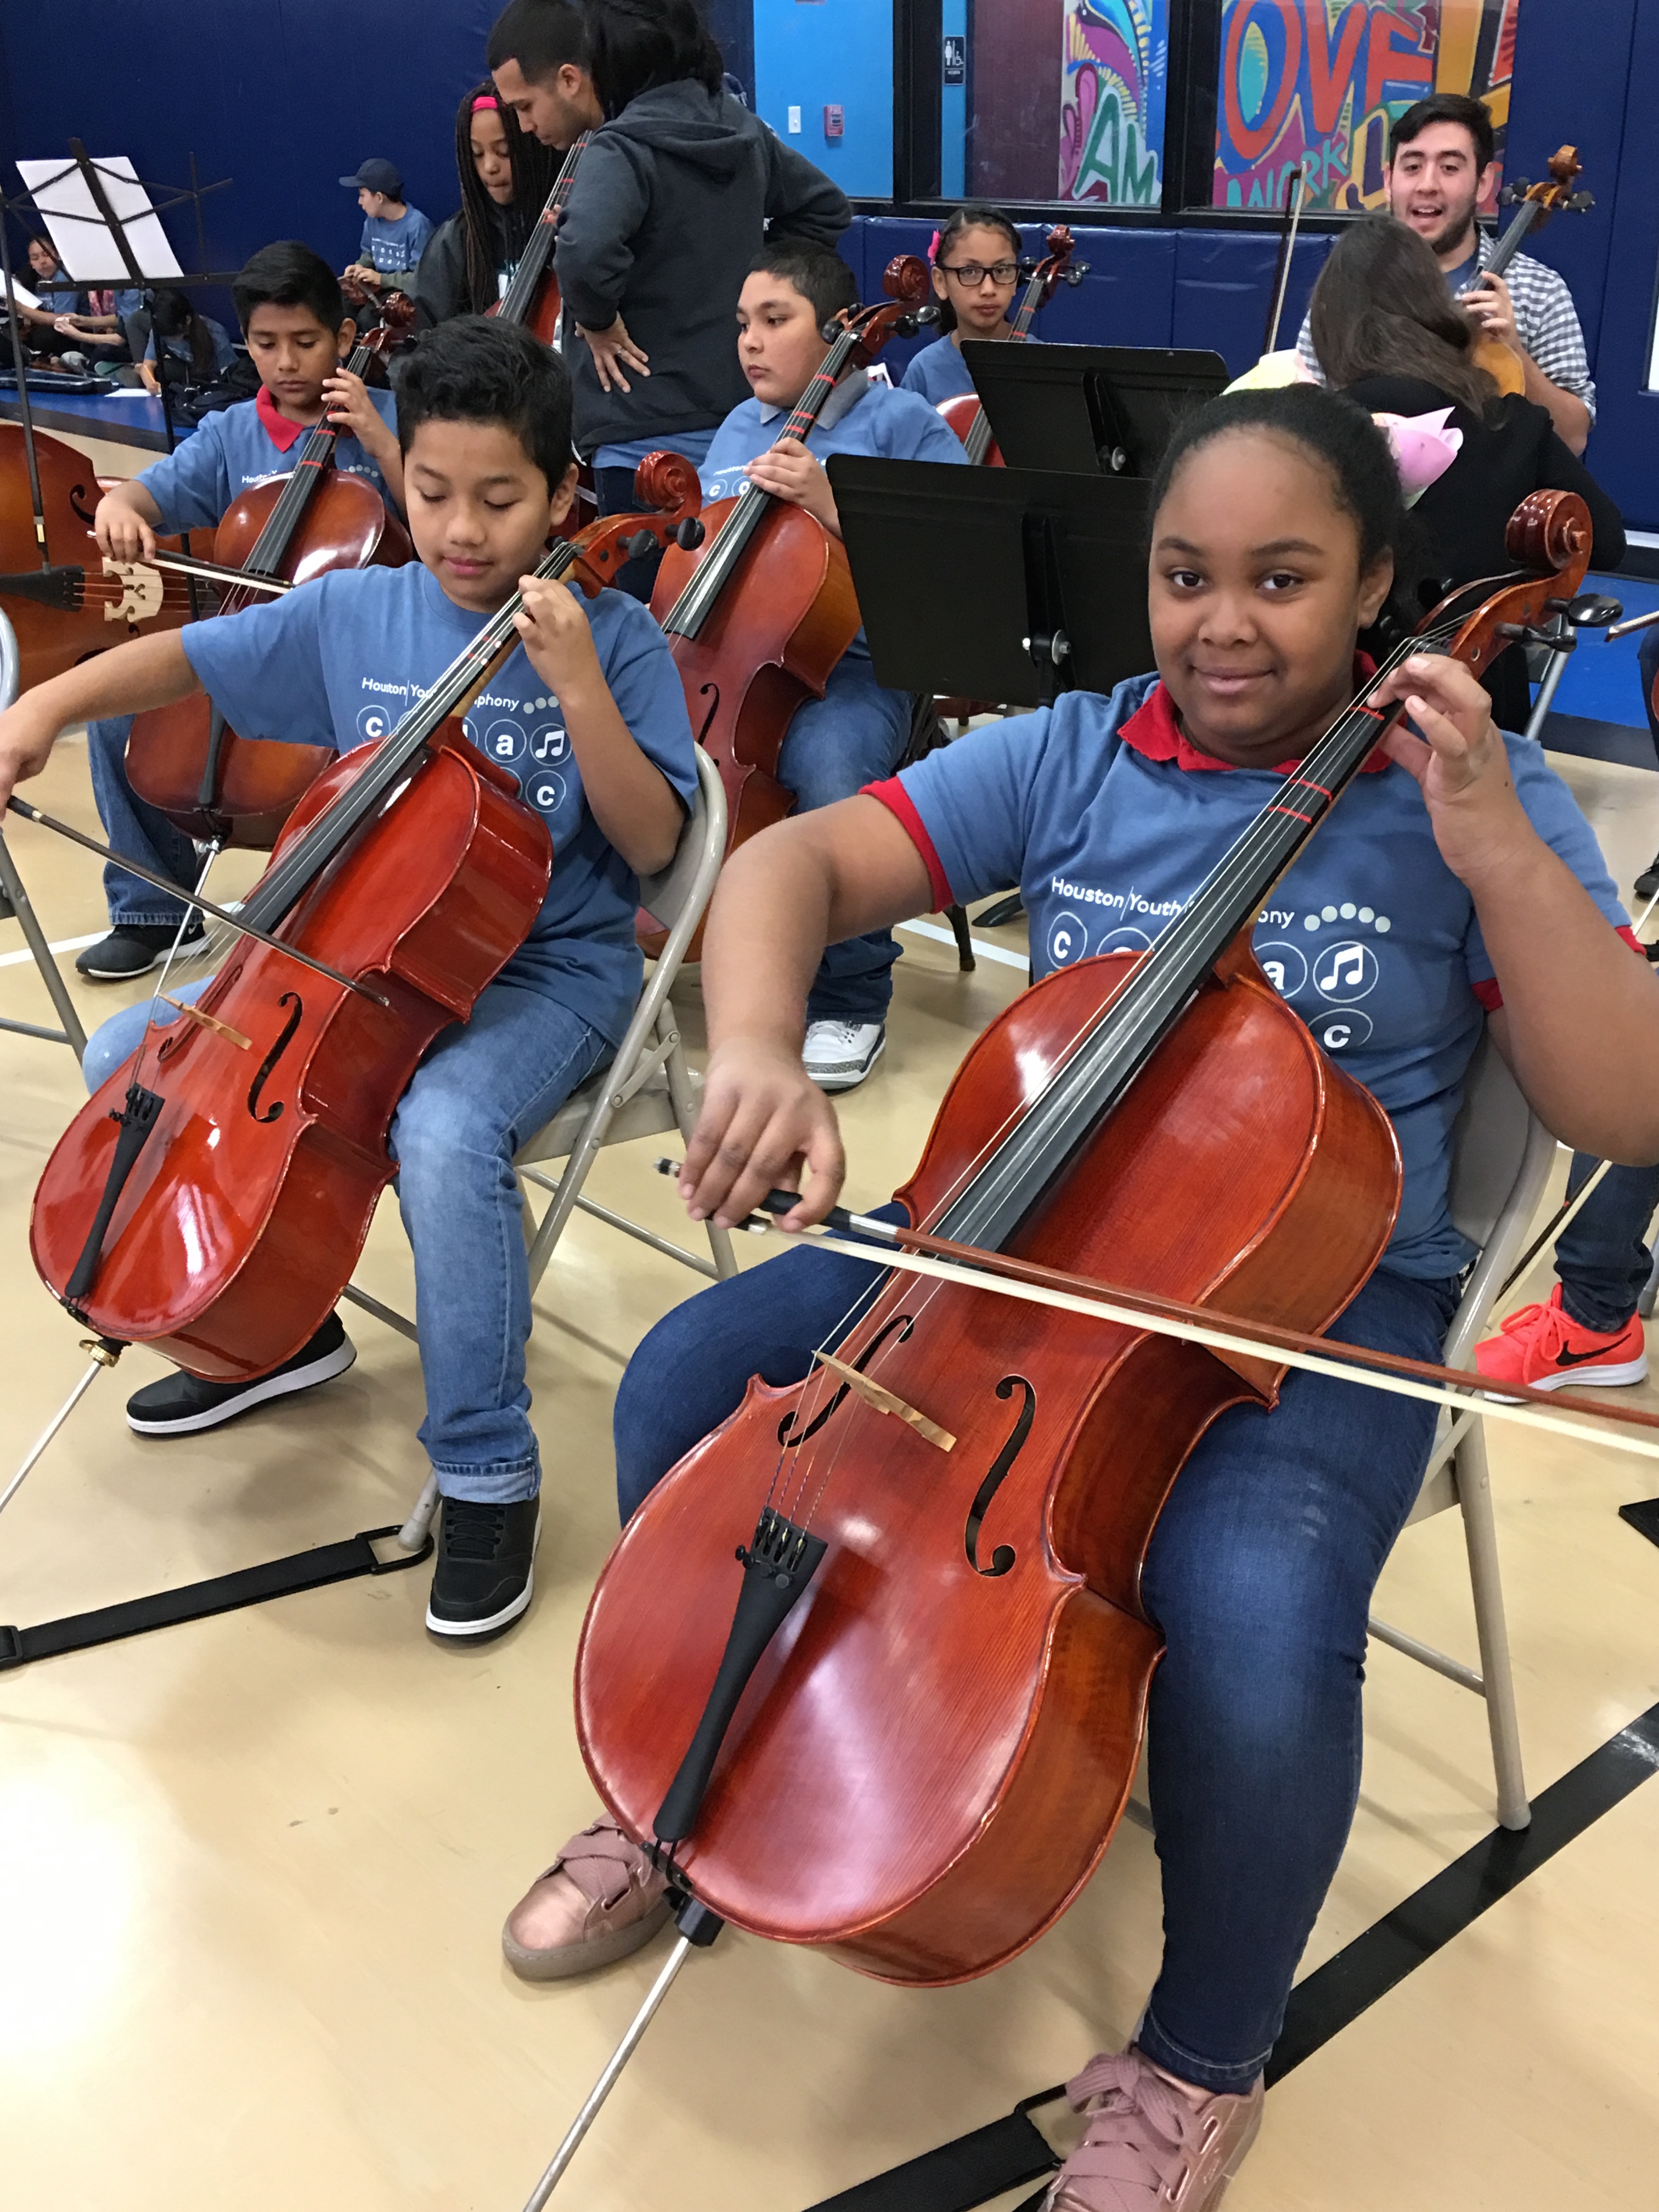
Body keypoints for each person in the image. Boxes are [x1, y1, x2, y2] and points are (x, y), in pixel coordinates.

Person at [499, 385, 1659, 2204]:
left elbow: (1621, 1102)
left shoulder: (1462, 791)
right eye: (1185, 573)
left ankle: (1202, 2059)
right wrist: (754, 1052)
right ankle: (692, 1768)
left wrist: (1499, 850)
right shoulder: (1077, 751)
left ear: (1371, 585)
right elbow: (792, 864)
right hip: (1012, 1235)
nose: (1219, 622)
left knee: (1255, 1610)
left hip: (1321, 1295)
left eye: (1280, 579)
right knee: (682, 1385)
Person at [0, 316, 697, 1645]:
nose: (463, 530)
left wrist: (579, 690)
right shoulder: (362, 613)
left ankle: (489, 1465)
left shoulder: (609, 637)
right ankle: (279, 1329)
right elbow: (188, 662)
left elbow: (662, 848)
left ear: (561, 495)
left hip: (550, 972)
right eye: (432, 494)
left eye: (501, 500)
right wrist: (37, 713)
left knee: (444, 1130)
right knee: (128, 1063)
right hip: (356, 964)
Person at [76, 241, 403, 983]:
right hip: (250, 639)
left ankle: (339, 906)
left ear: (346, 339)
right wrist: (122, 511)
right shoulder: (231, 434)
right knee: (115, 712)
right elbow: (137, 495)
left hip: (356, 657)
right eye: (265, 344)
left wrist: (381, 442)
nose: (286, 362)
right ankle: (155, 910)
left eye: (306, 342)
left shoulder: (391, 415)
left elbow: (442, 515)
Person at [693, 236, 969, 1091]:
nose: (750, 342)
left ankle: (850, 997)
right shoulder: (740, 427)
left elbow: (951, 571)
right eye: (743, 323)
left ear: (834, 332)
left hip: (858, 667)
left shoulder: (903, 425)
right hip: (734, 661)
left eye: (774, 321)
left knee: (830, 768)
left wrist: (829, 502)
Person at [488, 0, 851, 600]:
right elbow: (827, 209)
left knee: (647, 639)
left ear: (582, 75)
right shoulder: (744, 132)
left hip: (640, 444)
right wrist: (757, 278)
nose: (524, 126)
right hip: (740, 434)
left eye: (525, 108)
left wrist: (599, 322)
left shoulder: (620, 147)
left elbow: (582, 252)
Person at [1309, 212, 1623, 732]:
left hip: (1332, 706)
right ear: (1435, 310)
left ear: (1330, 319)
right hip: (1482, 717)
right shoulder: (1511, 423)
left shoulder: (1317, 428)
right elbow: (1604, 538)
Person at [1297, 92, 1595, 456]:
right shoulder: (1351, 285)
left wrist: (1514, 351)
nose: (1427, 185)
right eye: (1412, 167)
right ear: (1389, 180)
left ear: (1483, 182)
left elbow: (1574, 440)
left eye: (1450, 168)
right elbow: (1304, 419)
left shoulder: (1539, 291)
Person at [413, 83, 560, 326]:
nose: (490, 167)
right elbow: (423, 332)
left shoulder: (564, 228)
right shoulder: (456, 240)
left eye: (504, 152)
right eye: (477, 154)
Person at [900, 204, 1030, 407]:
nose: (988, 289)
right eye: (969, 271)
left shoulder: (1045, 366)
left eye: (1002, 270)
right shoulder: (924, 370)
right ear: (940, 282)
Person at [341, 159, 434, 295]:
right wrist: (360, 267)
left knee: (367, 317)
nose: (359, 202)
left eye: (362, 196)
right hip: (378, 290)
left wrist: (382, 279)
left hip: (405, 297)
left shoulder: (417, 226)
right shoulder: (372, 221)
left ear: (379, 197)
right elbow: (369, 253)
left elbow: (422, 279)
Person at [136, 286, 237, 394]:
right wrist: (151, 384)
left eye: (173, 334)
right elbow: (147, 365)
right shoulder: (160, 331)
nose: (170, 340)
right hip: (185, 377)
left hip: (212, 382)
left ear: (187, 320)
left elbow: (231, 374)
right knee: (161, 369)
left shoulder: (217, 335)